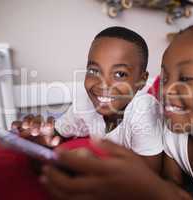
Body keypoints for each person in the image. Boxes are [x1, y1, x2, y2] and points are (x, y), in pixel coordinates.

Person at [40, 3, 193, 200]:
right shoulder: (173, 131)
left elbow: (163, 190)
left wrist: (154, 190)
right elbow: (174, 186)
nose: (167, 90)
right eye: (165, 77)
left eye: (186, 78)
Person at [12, 26, 163, 172]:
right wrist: (40, 137)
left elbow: (150, 174)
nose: (102, 84)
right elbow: (58, 132)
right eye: (93, 71)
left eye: (120, 74)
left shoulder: (144, 108)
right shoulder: (86, 102)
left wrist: (93, 167)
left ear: (141, 80)